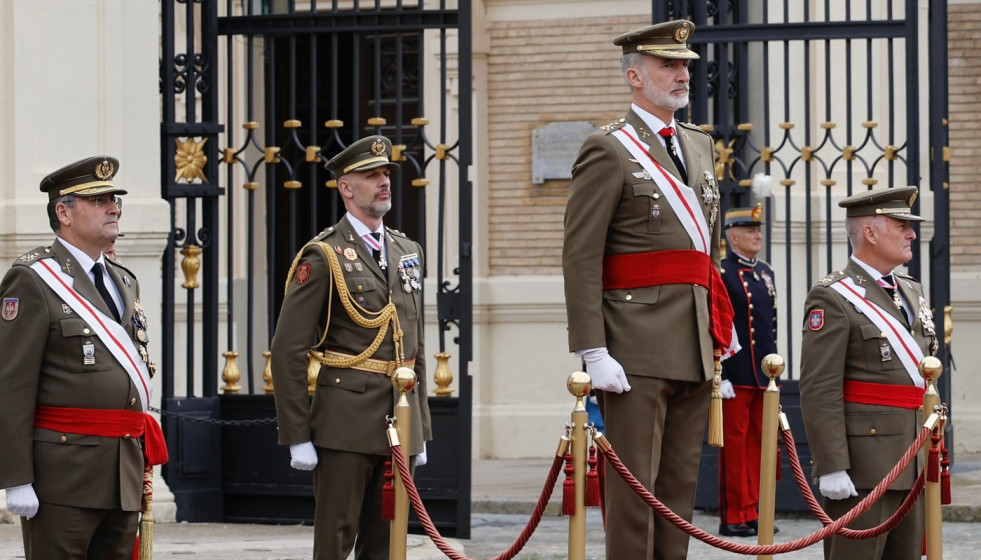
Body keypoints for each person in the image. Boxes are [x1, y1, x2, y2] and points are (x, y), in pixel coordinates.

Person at [562, 20, 734, 559]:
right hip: (633, 345)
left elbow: (704, 254)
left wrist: (716, 339)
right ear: (635, 75)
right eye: (669, 65)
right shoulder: (608, 149)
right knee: (635, 496)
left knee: (678, 494)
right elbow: (581, 255)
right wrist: (593, 350)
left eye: (685, 65)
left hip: (692, 343)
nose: (683, 74)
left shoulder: (699, 146)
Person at [270, 135, 432, 560]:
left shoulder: (407, 251)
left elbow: (413, 344)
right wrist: (296, 435)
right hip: (345, 421)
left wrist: (422, 426)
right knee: (336, 540)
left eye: (385, 174)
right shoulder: (324, 255)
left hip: (400, 415)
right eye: (370, 175)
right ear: (346, 187)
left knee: (388, 542)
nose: (383, 182)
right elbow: (288, 349)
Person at [0, 155, 164, 558]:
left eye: (115, 199)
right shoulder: (34, 277)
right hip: (63, 476)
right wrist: (16, 477)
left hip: (121, 472)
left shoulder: (123, 279)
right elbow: (12, 383)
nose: (113, 207)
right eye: (99, 200)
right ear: (64, 212)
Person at [800, 185, 937, 560]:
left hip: (914, 457)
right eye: (901, 225)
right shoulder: (832, 296)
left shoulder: (911, 290)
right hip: (865, 467)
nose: (911, 233)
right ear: (871, 232)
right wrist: (831, 465)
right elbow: (819, 386)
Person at [716, 203, 778, 537]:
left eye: (759, 230)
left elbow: (771, 325)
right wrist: (720, 373)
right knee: (735, 448)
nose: (758, 235)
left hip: (762, 375)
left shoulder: (765, 272)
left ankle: (753, 510)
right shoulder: (722, 272)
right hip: (735, 373)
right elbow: (718, 323)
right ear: (733, 235)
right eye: (751, 231)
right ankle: (733, 515)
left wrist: (774, 372)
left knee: (759, 445)